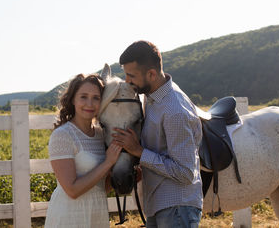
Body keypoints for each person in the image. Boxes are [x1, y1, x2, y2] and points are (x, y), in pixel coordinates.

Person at [112, 40, 203, 228]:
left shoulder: (174, 110)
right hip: (160, 204)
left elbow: (186, 172)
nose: (127, 81)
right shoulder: (151, 98)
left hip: (177, 207)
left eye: (131, 76)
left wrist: (139, 151)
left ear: (151, 74)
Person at [44, 73, 122, 228]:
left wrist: (118, 179)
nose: (90, 104)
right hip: (69, 216)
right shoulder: (63, 135)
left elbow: (99, 188)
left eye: (96, 98)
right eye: (83, 97)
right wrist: (108, 163)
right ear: (73, 99)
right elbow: (72, 190)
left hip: (96, 213)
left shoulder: (101, 135)